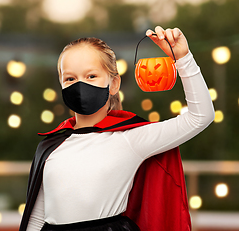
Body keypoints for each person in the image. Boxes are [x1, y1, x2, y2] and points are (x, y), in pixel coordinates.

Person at [19, 26, 215, 231]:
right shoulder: (50, 146)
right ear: (61, 85)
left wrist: (183, 57)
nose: (80, 85)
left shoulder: (131, 139)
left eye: (91, 76)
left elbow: (200, 116)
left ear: (113, 84)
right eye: (70, 78)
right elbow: (37, 216)